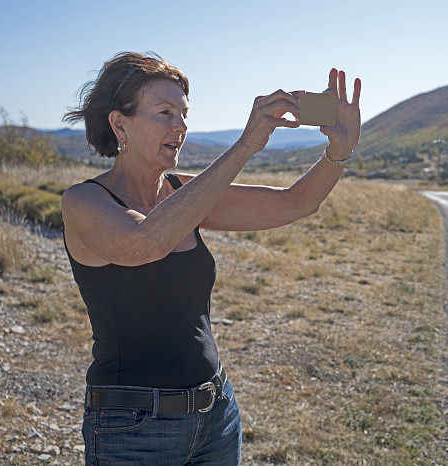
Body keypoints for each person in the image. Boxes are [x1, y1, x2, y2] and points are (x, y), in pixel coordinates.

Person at [60, 51, 361, 464]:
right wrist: (245, 146)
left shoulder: (184, 193)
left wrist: (339, 152)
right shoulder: (83, 201)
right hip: (132, 429)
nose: (180, 126)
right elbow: (146, 242)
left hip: (217, 416)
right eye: (165, 112)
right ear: (119, 124)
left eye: (183, 114)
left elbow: (296, 202)